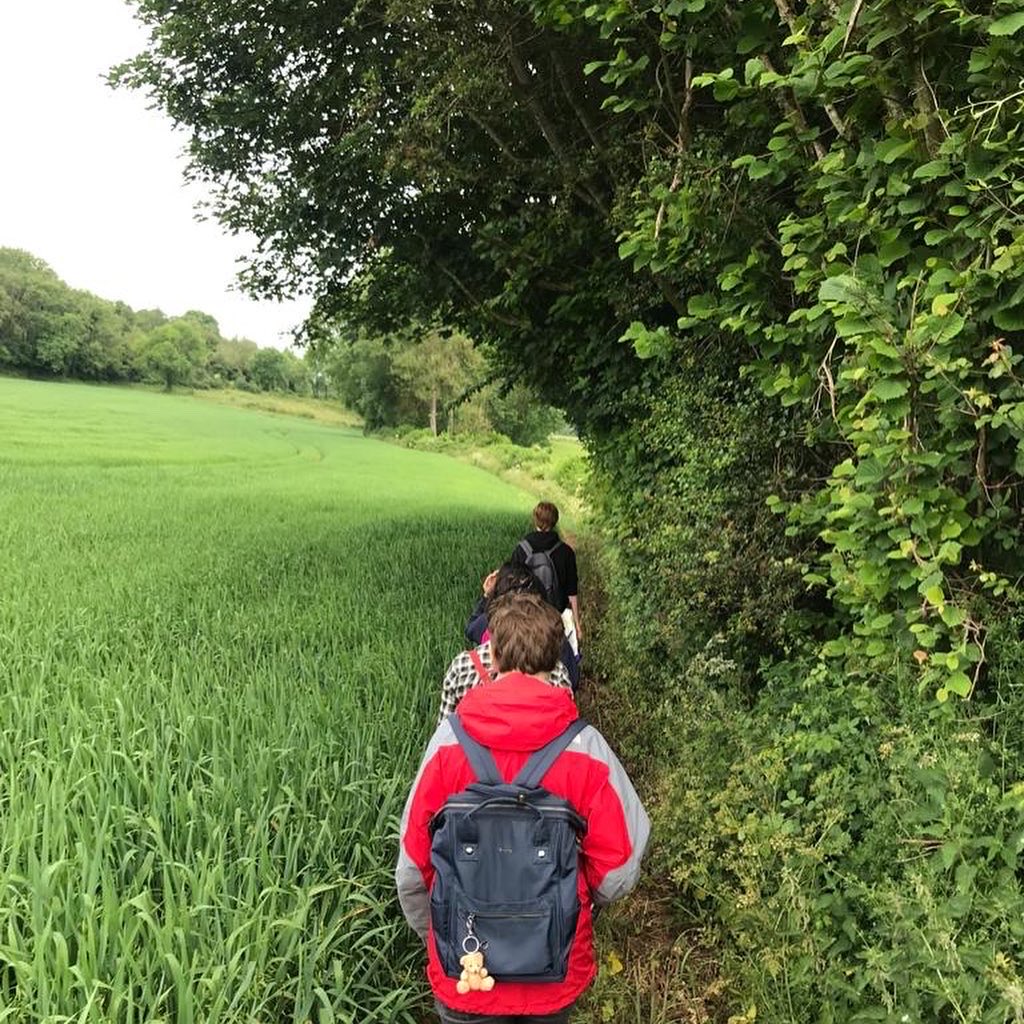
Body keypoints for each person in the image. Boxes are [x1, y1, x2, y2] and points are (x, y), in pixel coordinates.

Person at [397, 593, 650, 1023]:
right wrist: (575, 905)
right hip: (554, 972)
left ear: (491, 654)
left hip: (466, 975)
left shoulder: (446, 746)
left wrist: (441, 934)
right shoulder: (586, 748)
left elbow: (410, 871)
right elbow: (619, 870)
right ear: (556, 659)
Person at [460, 562, 580, 696]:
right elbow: (573, 679)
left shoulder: (464, 665)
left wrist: (486, 596)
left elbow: (470, 628)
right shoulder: (550, 633)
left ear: (494, 654)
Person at [510, 502, 581, 646]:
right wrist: (578, 625)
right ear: (555, 521)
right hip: (555, 620)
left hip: (527, 619)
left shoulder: (521, 549)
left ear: (535, 519)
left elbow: (512, 587)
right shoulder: (566, 552)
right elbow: (572, 592)